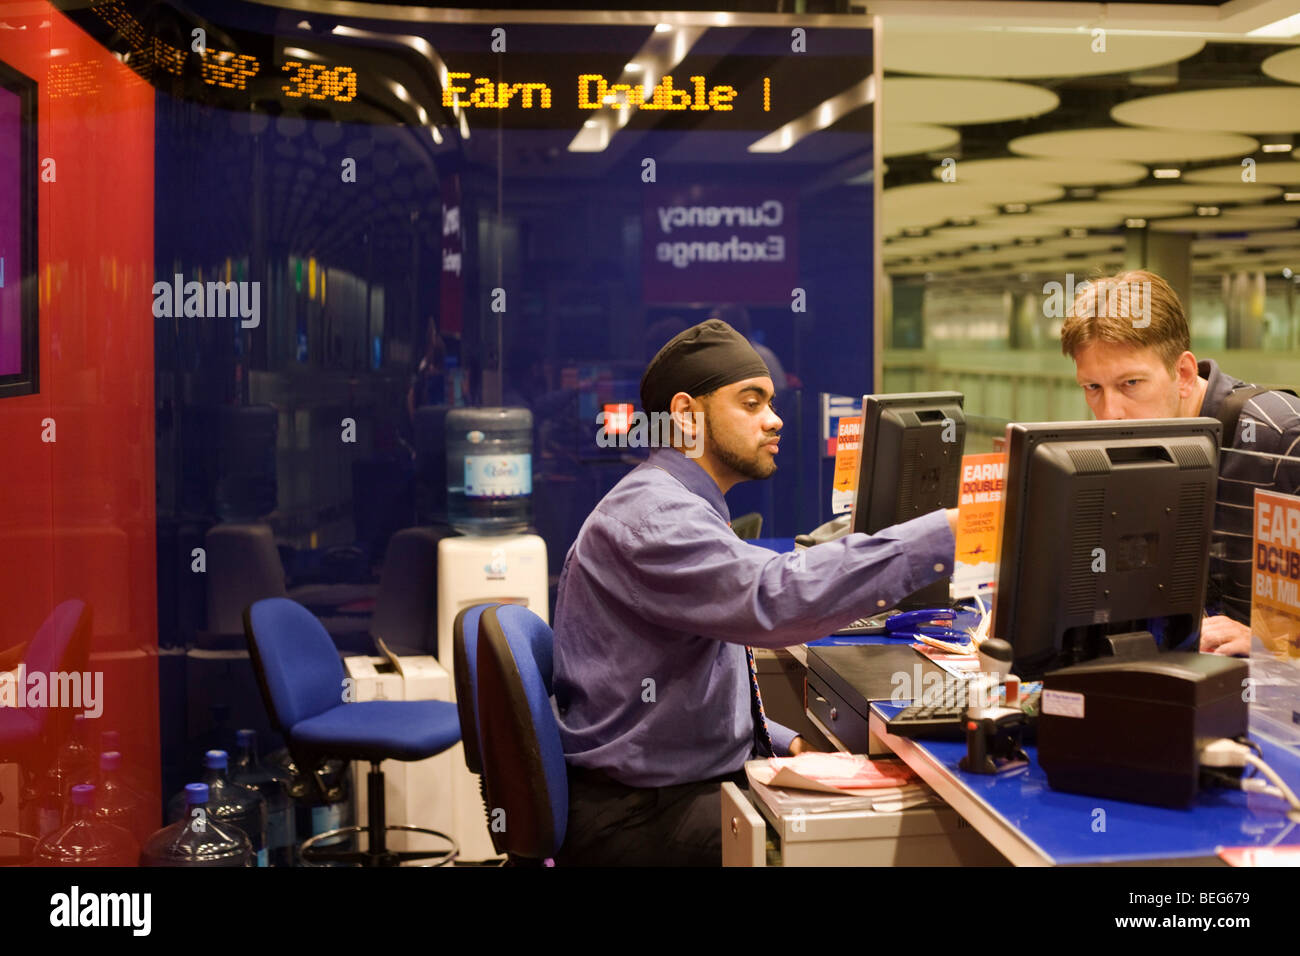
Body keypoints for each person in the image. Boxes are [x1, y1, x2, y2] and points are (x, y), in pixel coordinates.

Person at [551, 319, 958, 866]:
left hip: (665, 790)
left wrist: (784, 740)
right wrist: (949, 534)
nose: (775, 419)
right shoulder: (656, 518)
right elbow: (775, 600)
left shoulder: (680, 503)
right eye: (751, 402)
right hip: (640, 818)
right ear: (687, 415)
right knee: (893, 848)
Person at [1060, 269, 1300, 657]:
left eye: (1130, 384)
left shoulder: (1282, 439)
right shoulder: (1133, 447)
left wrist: (1277, 639)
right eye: (1093, 388)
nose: (1110, 414)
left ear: (1184, 374)